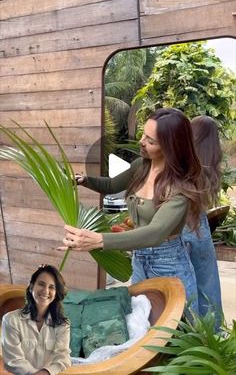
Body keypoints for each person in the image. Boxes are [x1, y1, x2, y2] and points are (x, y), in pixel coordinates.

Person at [58, 108, 203, 313]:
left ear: (171, 147)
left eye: (151, 141)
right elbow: (110, 186)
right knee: (142, 324)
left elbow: (156, 232)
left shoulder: (180, 187)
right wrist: (84, 180)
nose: (141, 142)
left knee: (176, 331)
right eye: (144, 135)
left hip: (169, 264)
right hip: (139, 260)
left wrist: (100, 240)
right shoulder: (141, 166)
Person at [182, 115, 223, 328]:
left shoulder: (183, 164)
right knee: (207, 283)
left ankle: (187, 334)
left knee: (183, 289)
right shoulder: (211, 166)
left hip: (180, 228)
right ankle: (211, 332)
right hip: (200, 227)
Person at [1, 264, 71, 375]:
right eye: (41, 284)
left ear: (56, 293)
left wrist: (45, 372)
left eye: (51, 287)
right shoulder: (10, 320)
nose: (45, 291)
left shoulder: (62, 324)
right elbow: (13, 361)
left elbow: (63, 358)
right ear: (31, 286)